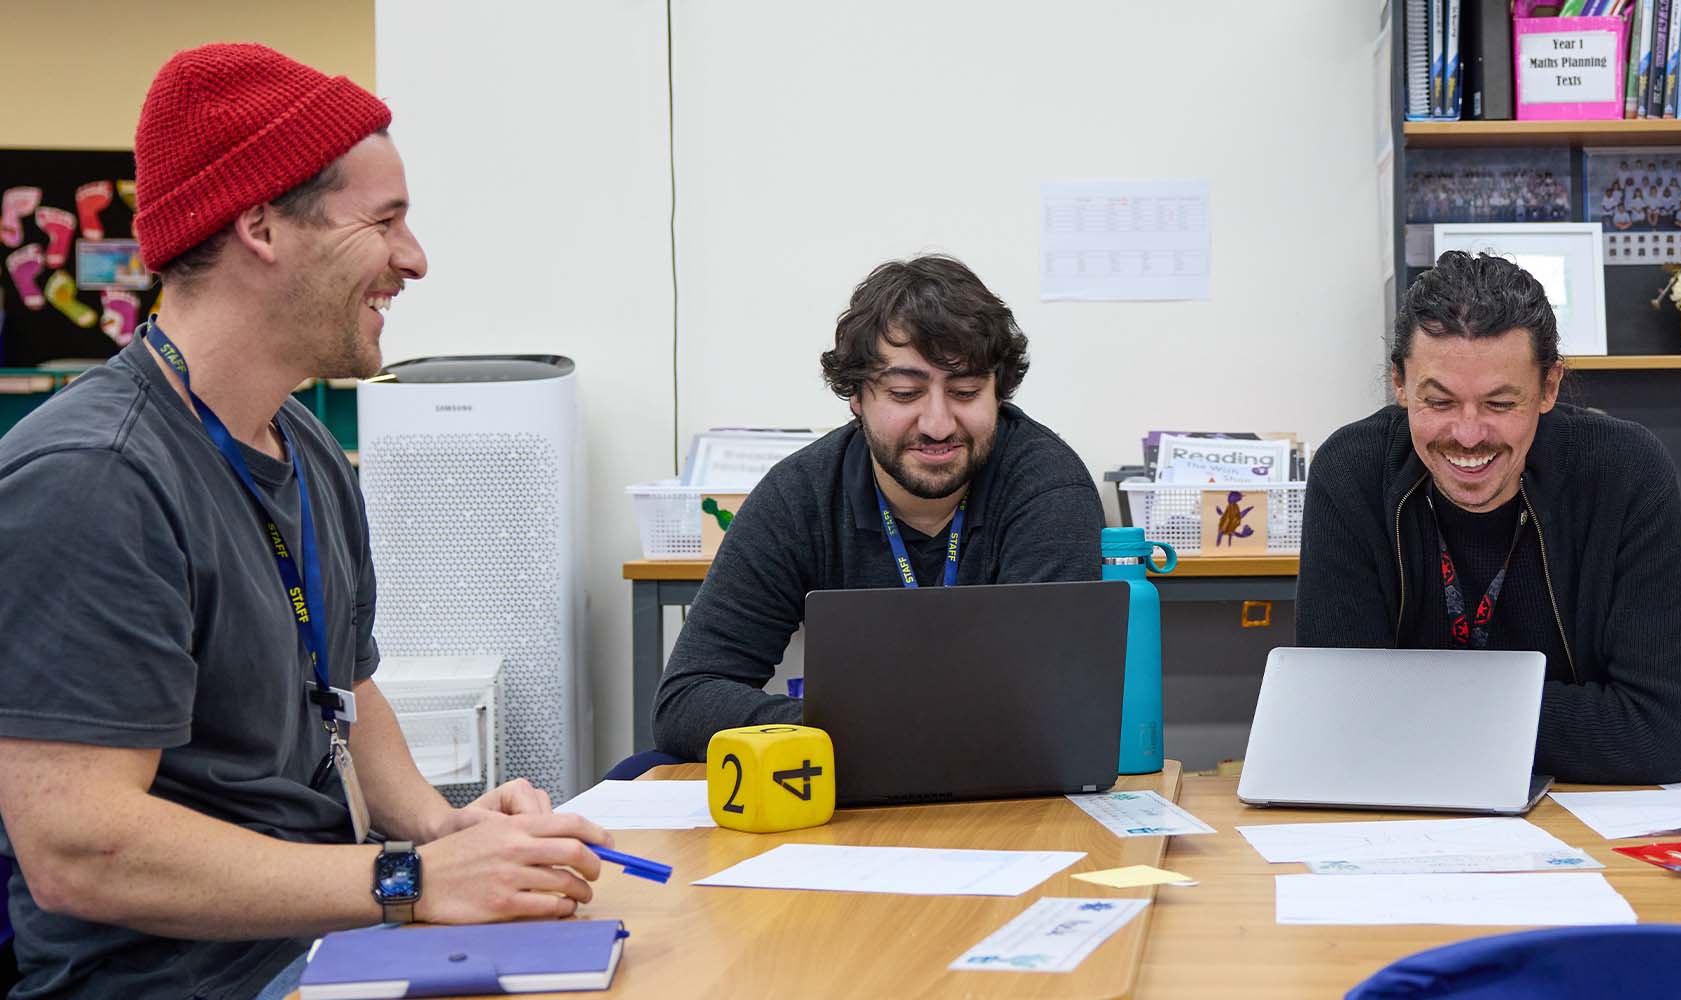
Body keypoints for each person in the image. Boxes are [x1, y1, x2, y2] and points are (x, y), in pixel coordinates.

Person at [0, 44, 612, 1000]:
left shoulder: (304, 444)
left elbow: (347, 694)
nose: (414, 259)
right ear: (261, 227)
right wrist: (408, 881)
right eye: (385, 221)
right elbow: (81, 850)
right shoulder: (94, 481)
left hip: (325, 942)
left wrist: (442, 830)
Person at [652, 255, 1105, 762]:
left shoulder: (1047, 490)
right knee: (642, 769)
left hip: (1007, 791)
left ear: (999, 392)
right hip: (847, 782)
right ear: (855, 397)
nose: (937, 424)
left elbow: (1044, 710)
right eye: (905, 393)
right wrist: (838, 731)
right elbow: (686, 700)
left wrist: (876, 729)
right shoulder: (800, 496)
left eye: (966, 392)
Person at [1297, 250, 1681, 785]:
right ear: (1399, 382)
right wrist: (1551, 716)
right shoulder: (1351, 471)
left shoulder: (1624, 471)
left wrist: (1413, 706)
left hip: (1580, 819)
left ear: (1549, 388)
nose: (1468, 435)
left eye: (1499, 404)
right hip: (1395, 815)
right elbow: (1334, 715)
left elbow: (1658, 734)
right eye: (1439, 401)